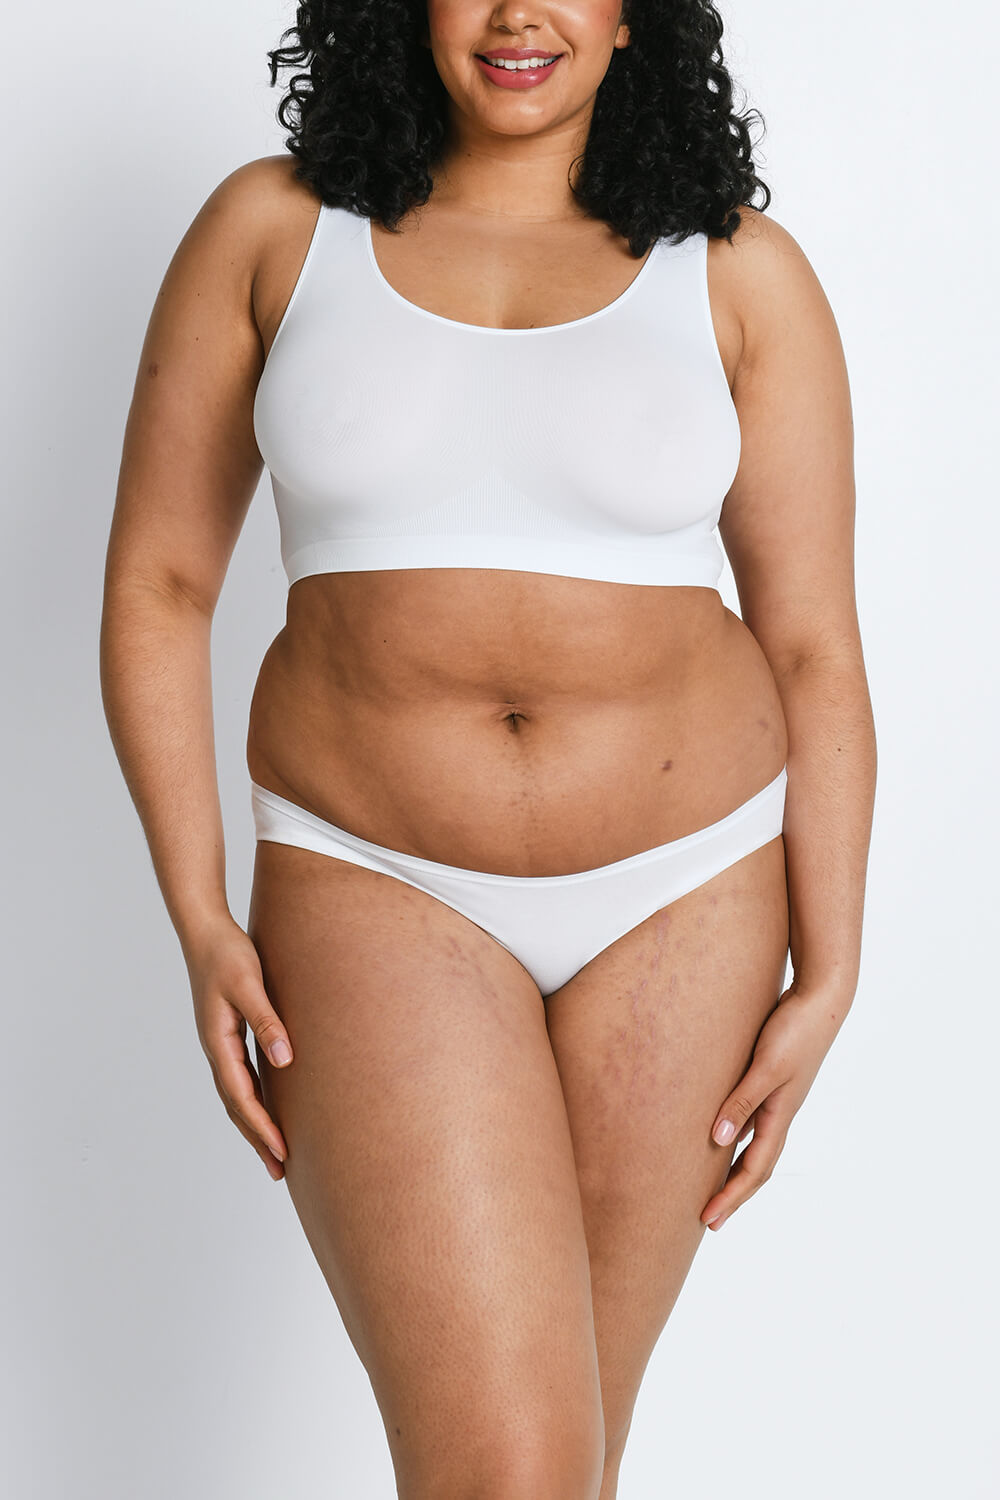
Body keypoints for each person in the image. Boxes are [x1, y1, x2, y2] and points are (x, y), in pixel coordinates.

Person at [100, 2, 877, 1496]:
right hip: (371, 878)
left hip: (690, 891)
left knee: (564, 1472)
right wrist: (198, 912)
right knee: (504, 1473)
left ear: (637, 19)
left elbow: (813, 648)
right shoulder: (274, 230)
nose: (521, 12)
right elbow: (162, 585)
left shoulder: (737, 270)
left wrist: (830, 967)